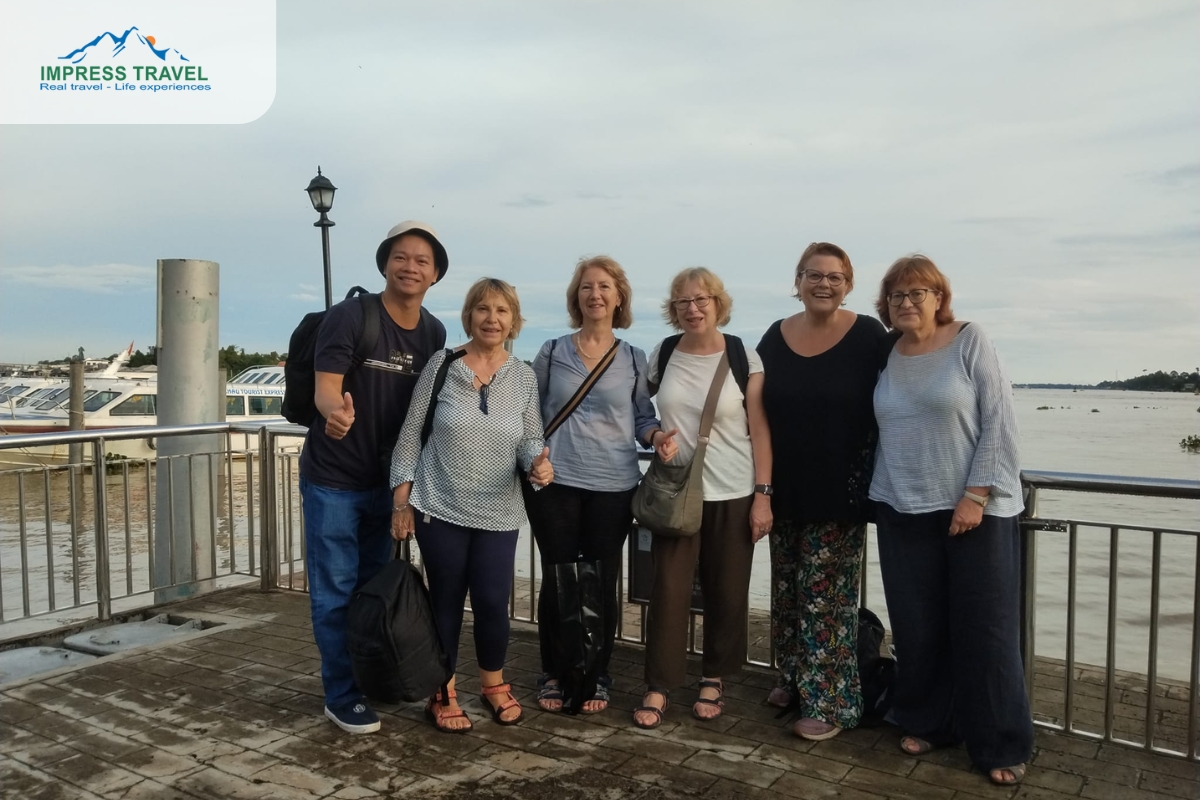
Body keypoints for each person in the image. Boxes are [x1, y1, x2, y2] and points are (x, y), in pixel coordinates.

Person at [869, 255, 1032, 786]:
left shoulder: (969, 340)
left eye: (919, 293)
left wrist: (977, 494)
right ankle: (928, 721)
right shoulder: (889, 352)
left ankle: (1000, 741)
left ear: (940, 298)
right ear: (886, 305)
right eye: (897, 295)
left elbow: (1000, 422)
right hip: (901, 507)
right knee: (918, 628)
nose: (907, 302)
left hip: (973, 512)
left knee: (985, 632)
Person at [299, 221, 448, 734]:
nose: (411, 267)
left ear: (436, 274)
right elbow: (326, 388)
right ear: (385, 263)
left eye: (422, 261)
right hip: (334, 479)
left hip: (388, 487)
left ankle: (368, 678)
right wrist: (332, 414)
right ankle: (341, 694)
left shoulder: (434, 333)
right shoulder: (350, 317)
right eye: (401, 257)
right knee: (334, 592)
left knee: (374, 591)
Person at [390, 277, 553, 733]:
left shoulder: (522, 376)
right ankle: (441, 691)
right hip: (440, 503)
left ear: (514, 321)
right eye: (483, 309)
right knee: (445, 598)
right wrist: (401, 502)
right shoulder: (442, 365)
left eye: (502, 311)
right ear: (470, 316)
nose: (492, 318)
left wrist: (539, 465)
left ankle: (493, 684)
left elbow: (530, 439)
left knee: (491, 599)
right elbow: (410, 435)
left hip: (500, 510)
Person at [529, 256, 675, 715]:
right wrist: (534, 456)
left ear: (619, 297)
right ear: (577, 298)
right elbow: (528, 413)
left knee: (600, 578)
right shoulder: (552, 351)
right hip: (556, 482)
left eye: (605, 286)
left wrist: (656, 438)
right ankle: (555, 670)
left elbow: (642, 417)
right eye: (587, 287)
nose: (596, 294)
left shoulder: (633, 357)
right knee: (558, 578)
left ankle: (596, 673)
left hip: (613, 485)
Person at [758, 242, 889, 741]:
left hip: (842, 490)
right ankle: (793, 677)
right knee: (789, 591)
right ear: (798, 281)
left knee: (827, 599)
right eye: (814, 275)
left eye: (835, 277)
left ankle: (833, 703)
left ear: (849, 284)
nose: (824, 284)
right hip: (783, 486)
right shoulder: (775, 335)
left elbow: (897, 399)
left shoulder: (869, 336)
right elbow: (758, 410)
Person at [632, 267, 773, 729]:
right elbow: (636, 407)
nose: (692, 309)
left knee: (727, 590)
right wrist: (653, 435)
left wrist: (763, 495)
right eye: (682, 303)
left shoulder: (741, 355)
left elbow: (759, 428)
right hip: (676, 491)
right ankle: (659, 683)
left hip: (733, 489)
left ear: (718, 303)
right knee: (668, 590)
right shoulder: (664, 354)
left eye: (701, 300)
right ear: (672, 311)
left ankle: (714, 675)